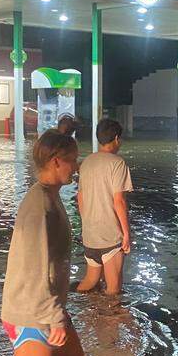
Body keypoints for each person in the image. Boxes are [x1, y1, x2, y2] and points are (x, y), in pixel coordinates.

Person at [1, 129, 88, 356]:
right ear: (55, 161)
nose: (76, 167)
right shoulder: (39, 207)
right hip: (31, 312)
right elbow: (36, 268)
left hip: (48, 307)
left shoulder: (50, 197)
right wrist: (55, 318)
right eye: (72, 161)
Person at [74, 118, 133, 295]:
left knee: (91, 281)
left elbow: (80, 198)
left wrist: (87, 225)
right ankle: (109, 321)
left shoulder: (86, 163)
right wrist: (126, 234)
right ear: (116, 138)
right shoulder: (117, 163)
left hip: (90, 234)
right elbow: (119, 201)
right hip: (110, 236)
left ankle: (72, 306)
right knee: (113, 289)